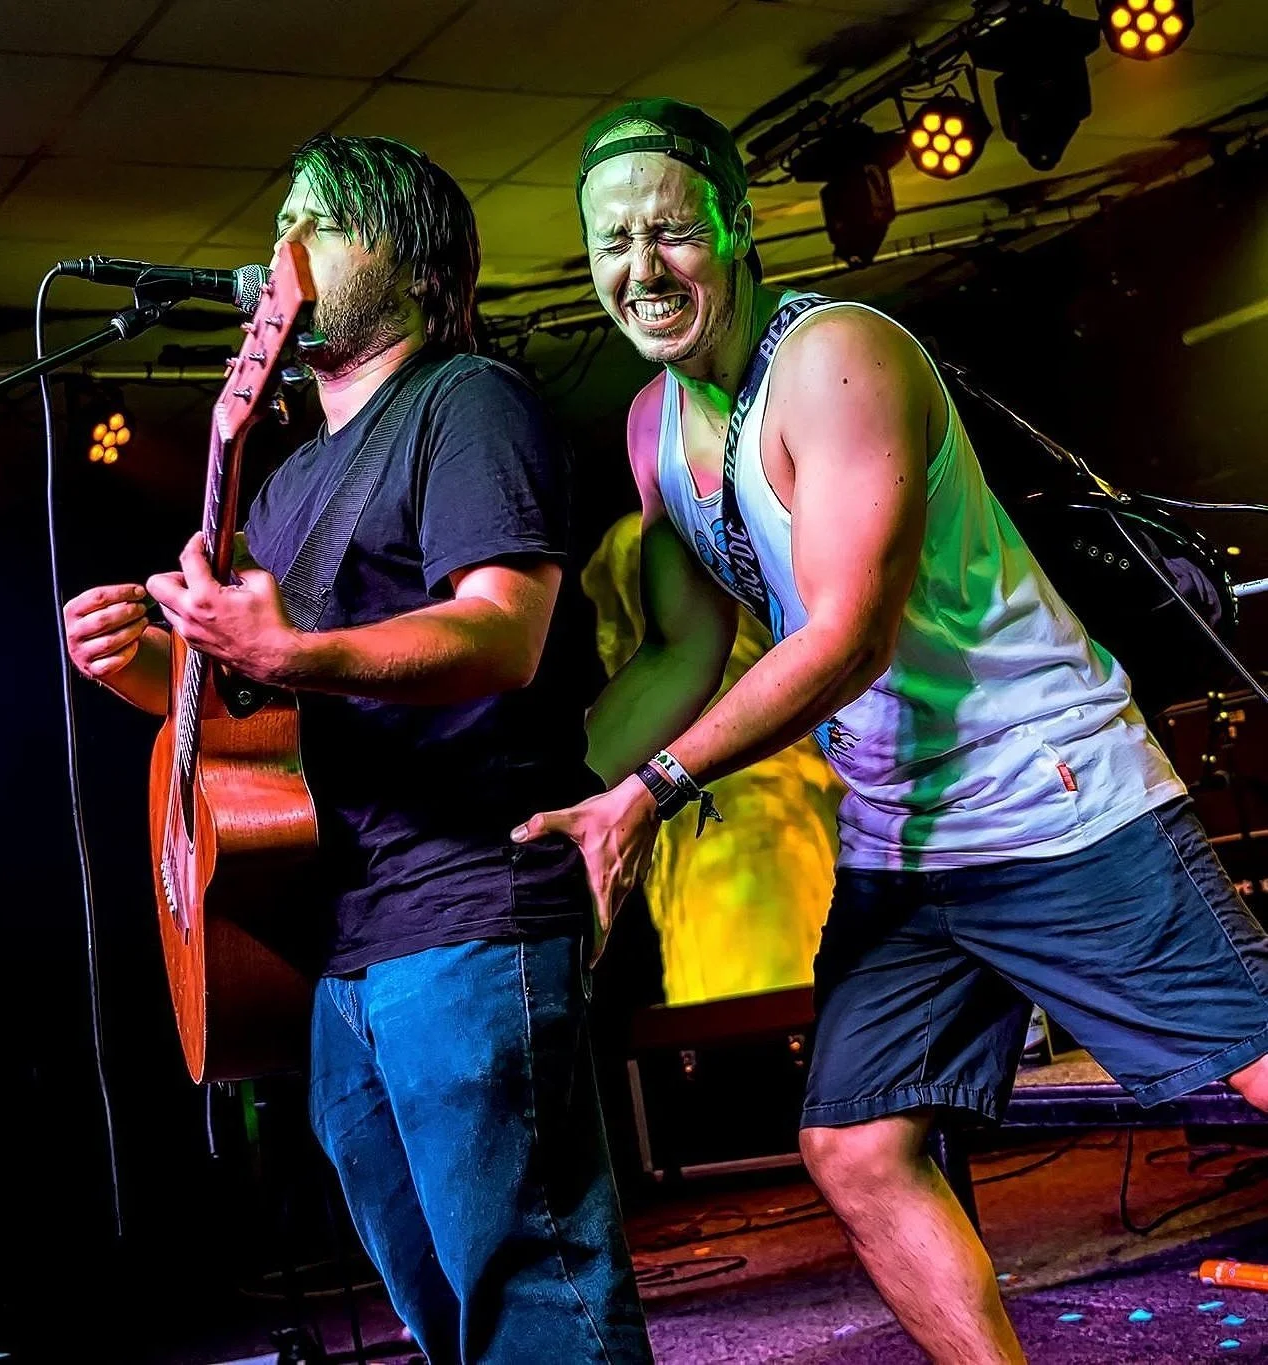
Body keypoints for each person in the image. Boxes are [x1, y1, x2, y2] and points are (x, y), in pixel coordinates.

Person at [511, 96, 1268, 1364]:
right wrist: (542, 809)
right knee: (856, 1144)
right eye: (610, 245)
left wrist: (644, 791)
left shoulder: (837, 357)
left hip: (1055, 793)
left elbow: (845, 637)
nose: (641, 271)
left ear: (739, 228)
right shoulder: (657, 426)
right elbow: (681, 652)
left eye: (670, 234)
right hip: (905, 843)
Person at [63, 132, 652, 1365]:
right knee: (439, 1313)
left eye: (314, 220)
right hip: (339, 948)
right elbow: (262, 710)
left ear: (402, 252)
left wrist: (281, 652)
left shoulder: (466, 401)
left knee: (530, 1297)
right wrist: (155, 671)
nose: (277, 252)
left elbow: (502, 634)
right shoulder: (284, 486)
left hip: (469, 913)